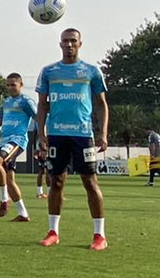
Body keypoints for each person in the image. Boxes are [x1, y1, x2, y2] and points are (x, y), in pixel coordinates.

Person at [34, 27, 110, 249]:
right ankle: (53, 232)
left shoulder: (91, 71)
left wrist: (102, 133)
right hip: (57, 134)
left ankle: (99, 236)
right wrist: (42, 134)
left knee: (90, 181)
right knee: (55, 182)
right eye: (65, 41)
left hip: (83, 135)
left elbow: (101, 104)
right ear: (60, 44)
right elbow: (42, 105)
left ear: (80, 44)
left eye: (73, 41)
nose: (69, 45)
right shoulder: (49, 72)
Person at [0, 72, 34, 222]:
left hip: (17, 141)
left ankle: (4, 199)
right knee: (10, 181)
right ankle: (23, 214)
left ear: (21, 85)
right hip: (4, 141)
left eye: (13, 85)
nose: (10, 88)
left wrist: (44, 138)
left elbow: (38, 117)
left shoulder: (26, 102)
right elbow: (0, 121)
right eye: (8, 85)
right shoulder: (6, 102)